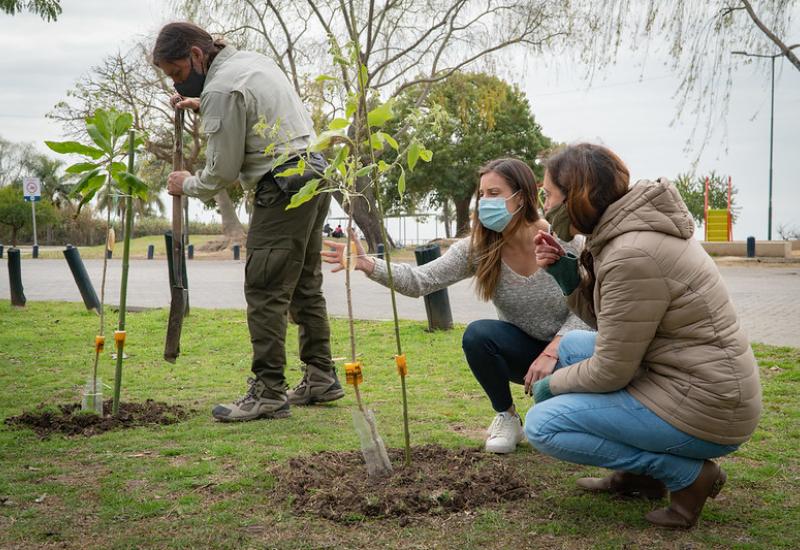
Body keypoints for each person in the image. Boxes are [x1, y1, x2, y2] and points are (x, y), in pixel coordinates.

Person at [525, 143, 761, 528]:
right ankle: (641, 478)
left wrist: (551, 386)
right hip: (689, 379)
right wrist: (568, 277)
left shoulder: (631, 254)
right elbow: (616, 327)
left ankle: (687, 476)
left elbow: (611, 370)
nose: (546, 206)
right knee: (571, 347)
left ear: (577, 197)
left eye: (548, 195)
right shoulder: (625, 231)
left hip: (709, 405)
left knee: (543, 425)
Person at [322, 158, 589, 454]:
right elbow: (420, 280)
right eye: (482, 195)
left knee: (560, 423)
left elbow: (591, 307)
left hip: (575, 351)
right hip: (524, 355)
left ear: (522, 198)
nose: (485, 202)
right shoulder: (479, 248)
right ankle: (507, 417)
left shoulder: (565, 240)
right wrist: (368, 264)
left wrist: (553, 350)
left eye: (494, 193)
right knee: (478, 335)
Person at [153, 22, 344, 422]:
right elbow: (251, 112)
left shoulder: (221, 90)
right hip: (315, 175)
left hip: (282, 186)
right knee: (303, 285)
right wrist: (203, 105)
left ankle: (269, 391)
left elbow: (222, 171)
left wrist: (187, 184)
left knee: (265, 288)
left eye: (178, 72)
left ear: (196, 55)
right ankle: (320, 376)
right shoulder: (251, 63)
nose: (177, 82)